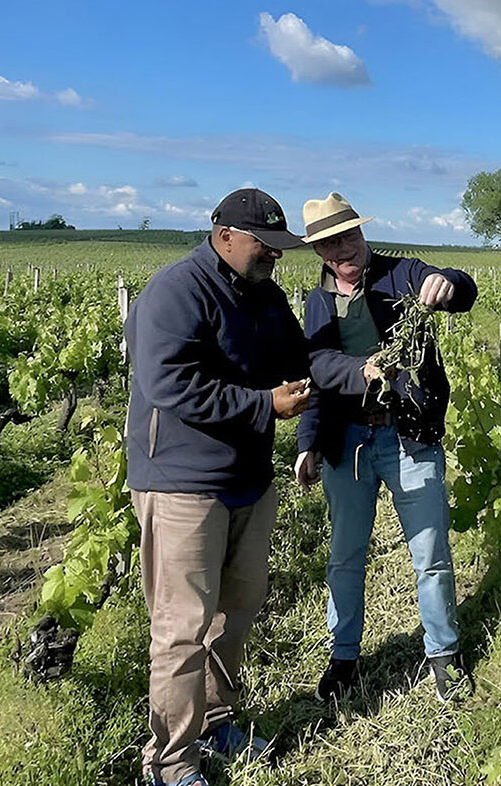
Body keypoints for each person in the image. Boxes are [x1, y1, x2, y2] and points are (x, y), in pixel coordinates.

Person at [126, 188, 311, 786]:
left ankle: (219, 721)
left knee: (235, 611)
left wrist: (353, 367)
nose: (275, 257)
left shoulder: (265, 294)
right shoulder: (176, 291)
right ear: (224, 234)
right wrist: (264, 405)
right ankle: (171, 762)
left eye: (281, 248)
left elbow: (298, 360)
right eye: (266, 245)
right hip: (182, 482)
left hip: (247, 481)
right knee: (182, 627)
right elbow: (170, 385)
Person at [293, 192, 478, 704]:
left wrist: (450, 284)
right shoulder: (317, 303)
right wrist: (308, 442)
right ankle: (344, 657)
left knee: (430, 552)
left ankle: (444, 653)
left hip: (407, 435)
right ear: (319, 253)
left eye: (348, 236)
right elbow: (318, 376)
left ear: (362, 232)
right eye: (329, 244)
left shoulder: (402, 274)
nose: (342, 250)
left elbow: (463, 290)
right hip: (347, 443)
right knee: (346, 556)